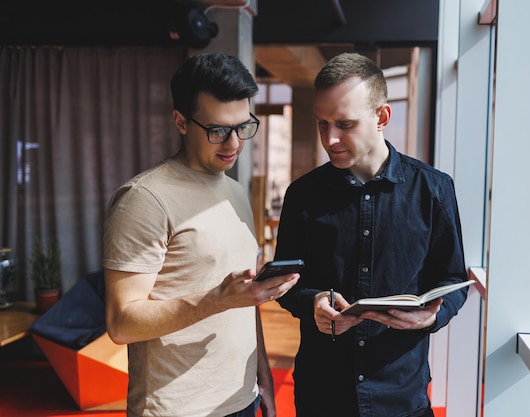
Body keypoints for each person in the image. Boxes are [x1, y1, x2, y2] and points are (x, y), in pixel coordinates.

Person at [102, 52, 299, 417]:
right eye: (217, 130)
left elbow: (243, 299)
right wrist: (215, 300)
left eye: (242, 126)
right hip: (176, 408)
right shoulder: (144, 199)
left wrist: (264, 382)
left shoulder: (237, 192)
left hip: (241, 398)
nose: (234, 144)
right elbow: (120, 323)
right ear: (180, 122)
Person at [274, 52, 469, 417]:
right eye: (322, 124)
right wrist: (311, 302)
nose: (329, 139)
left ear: (381, 117)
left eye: (344, 124)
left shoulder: (434, 189)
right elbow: (287, 285)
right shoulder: (302, 194)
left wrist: (431, 318)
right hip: (322, 395)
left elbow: (455, 280)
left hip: (402, 397)